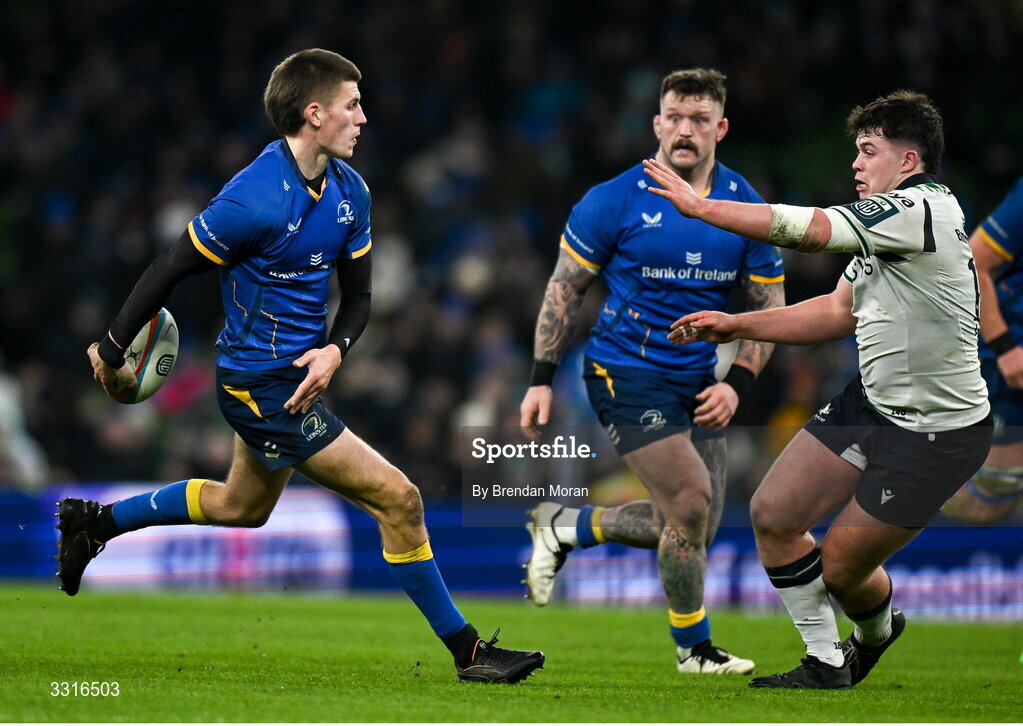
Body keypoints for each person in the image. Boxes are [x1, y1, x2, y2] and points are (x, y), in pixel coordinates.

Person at [59, 48, 544, 685]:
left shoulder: (351, 192)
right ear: (314, 114)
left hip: (294, 379)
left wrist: (336, 348)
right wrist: (113, 346)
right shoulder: (252, 199)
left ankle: (96, 523)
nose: (364, 118)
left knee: (241, 507)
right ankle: (469, 653)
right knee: (400, 499)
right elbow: (171, 265)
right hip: (259, 386)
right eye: (352, 106)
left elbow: (361, 296)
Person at [645, 90, 992, 689]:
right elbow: (836, 313)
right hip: (873, 404)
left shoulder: (920, 210)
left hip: (939, 432)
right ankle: (827, 662)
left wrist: (704, 210)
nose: (856, 164)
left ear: (908, 162)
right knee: (774, 514)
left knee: (841, 570)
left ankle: (875, 634)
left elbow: (810, 230)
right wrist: (736, 323)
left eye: (868, 151)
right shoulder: (889, 228)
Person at [519, 68, 785, 675]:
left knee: (693, 526)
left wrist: (736, 383)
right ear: (657, 123)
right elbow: (566, 289)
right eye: (675, 117)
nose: (685, 130)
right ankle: (695, 650)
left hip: (698, 380)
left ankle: (566, 527)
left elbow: (769, 306)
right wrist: (540, 377)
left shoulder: (745, 207)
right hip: (623, 371)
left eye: (699, 120)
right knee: (689, 503)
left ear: (720, 128)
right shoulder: (613, 199)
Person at [942, 176, 1023, 525]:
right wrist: (1005, 347)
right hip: (1010, 358)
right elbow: (975, 260)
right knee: (990, 502)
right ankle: (895, 471)